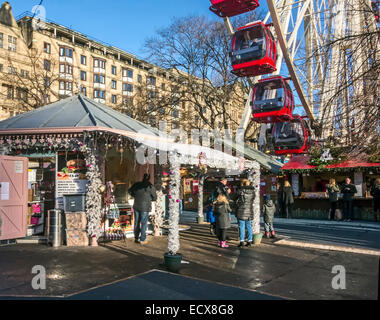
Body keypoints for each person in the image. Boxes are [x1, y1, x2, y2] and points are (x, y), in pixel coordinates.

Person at [128, 173, 157, 244]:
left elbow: (129, 191)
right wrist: (149, 198)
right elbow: (154, 197)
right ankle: (142, 239)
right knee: (143, 223)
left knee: (136, 222)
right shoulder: (150, 186)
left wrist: (134, 195)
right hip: (145, 207)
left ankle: (136, 237)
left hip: (136, 205)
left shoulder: (137, 184)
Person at [234, 179, 255, 248]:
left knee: (241, 226)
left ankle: (242, 241)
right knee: (249, 226)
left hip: (241, 211)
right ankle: (249, 241)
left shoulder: (240, 190)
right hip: (249, 210)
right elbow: (253, 199)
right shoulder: (253, 191)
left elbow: (235, 199)